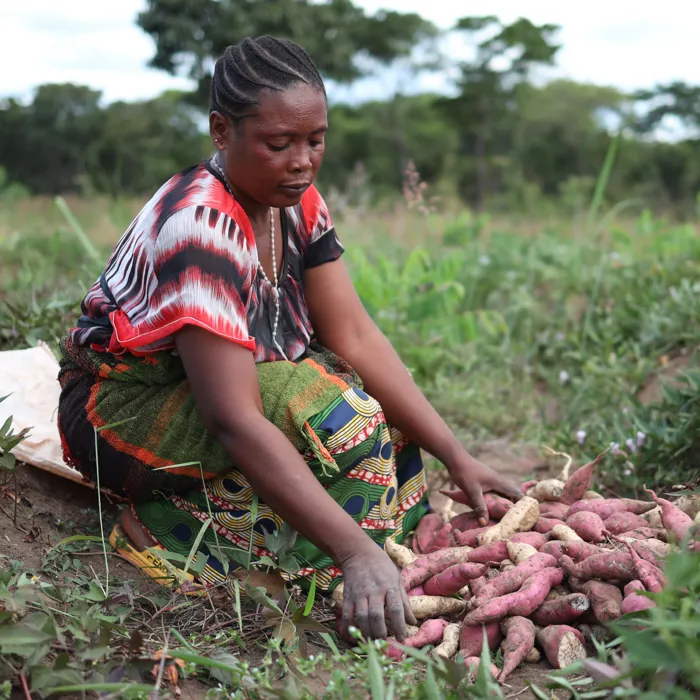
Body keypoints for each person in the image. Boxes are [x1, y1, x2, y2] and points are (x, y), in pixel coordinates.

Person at [57, 36, 521, 642]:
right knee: (340, 418)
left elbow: (353, 334)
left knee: (378, 411)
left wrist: (456, 457)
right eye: (279, 144)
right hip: (121, 414)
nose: (302, 160)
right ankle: (171, 532)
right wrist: (354, 552)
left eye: (315, 140)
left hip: (218, 390)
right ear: (222, 131)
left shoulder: (296, 203)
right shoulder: (200, 224)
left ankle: (365, 557)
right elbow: (232, 419)